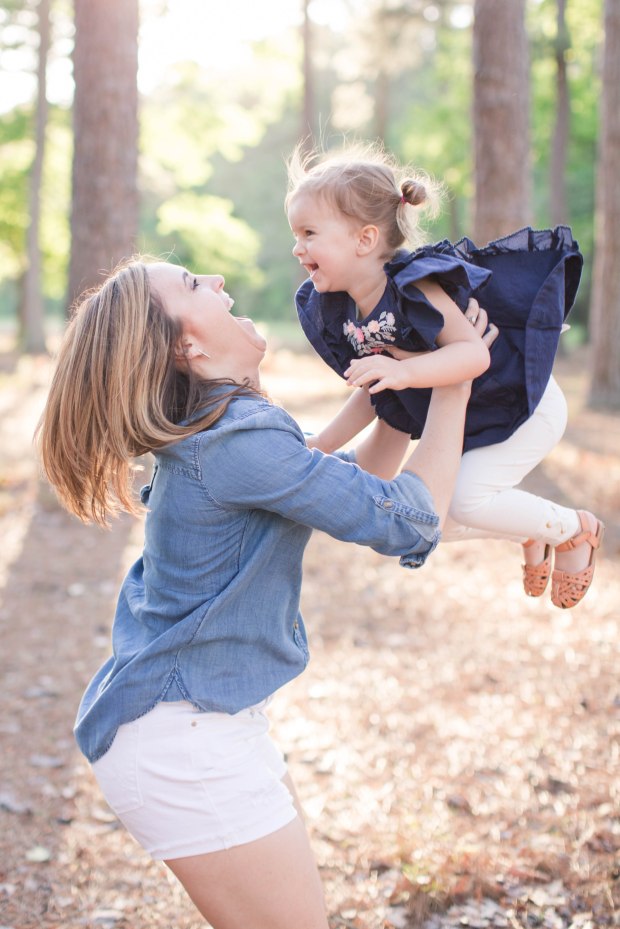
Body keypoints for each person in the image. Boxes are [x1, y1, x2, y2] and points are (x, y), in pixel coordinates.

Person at [36, 256, 487, 929]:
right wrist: (455, 377)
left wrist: (402, 382)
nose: (217, 281)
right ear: (187, 346)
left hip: (199, 726)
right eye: (193, 285)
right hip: (183, 739)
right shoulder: (236, 443)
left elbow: (349, 484)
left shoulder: (226, 434)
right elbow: (407, 519)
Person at [286, 143, 604, 610]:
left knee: (466, 502)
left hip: (523, 405)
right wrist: (322, 445)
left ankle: (575, 531)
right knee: (432, 517)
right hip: (476, 423)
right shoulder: (347, 309)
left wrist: (404, 370)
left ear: (365, 239)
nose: (298, 247)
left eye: (309, 232)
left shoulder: (413, 285)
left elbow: (472, 355)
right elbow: (376, 393)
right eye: (296, 234)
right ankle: (532, 528)